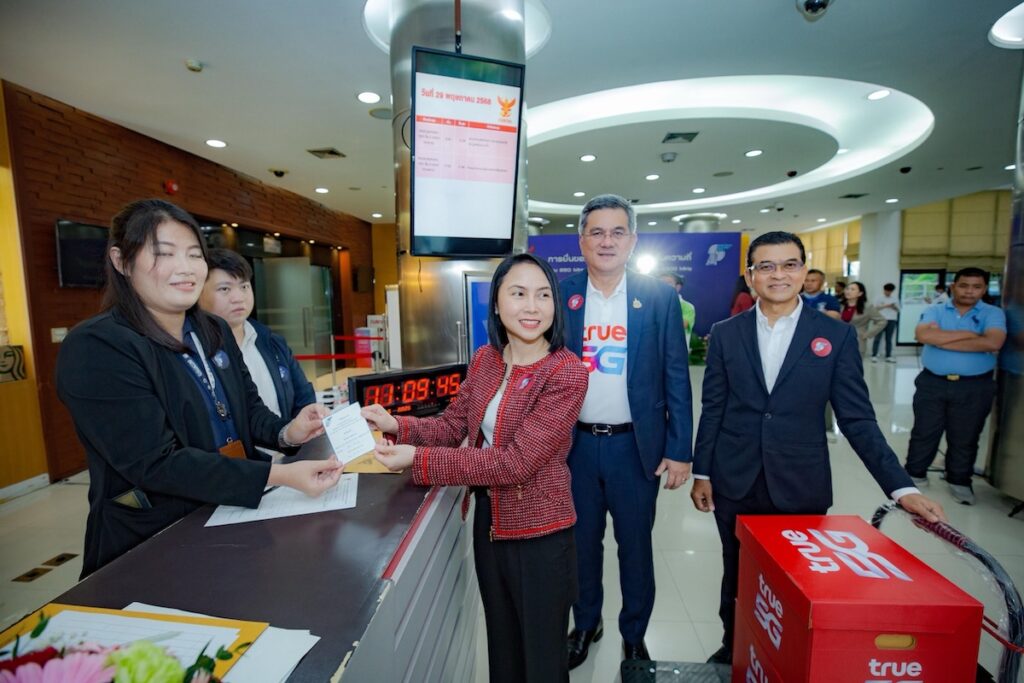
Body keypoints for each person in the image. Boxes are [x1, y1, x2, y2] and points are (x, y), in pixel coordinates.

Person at [689, 231, 946, 665]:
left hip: (800, 482)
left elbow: (858, 420)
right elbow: (713, 407)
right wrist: (703, 472)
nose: (778, 274)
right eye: (766, 266)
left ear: (804, 271)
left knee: (796, 580)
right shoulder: (726, 333)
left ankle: (783, 655)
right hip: (735, 479)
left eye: (789, 264)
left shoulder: (835, 336)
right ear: (750, 276)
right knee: (736, 571)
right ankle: (733, 648)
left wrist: (902, 488)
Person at [56, 199, 342, 577]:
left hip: (233, 516)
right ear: (121, 261)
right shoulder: (99, 346)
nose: (185, 267)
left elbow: (248, 409)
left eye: (194, 254)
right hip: (154, 540)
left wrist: (288, 431)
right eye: (164, 253)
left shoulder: (213, 329)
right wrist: (278, 476)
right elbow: (155, 463)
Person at [365, 253, 588, 683]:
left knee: (542, 662)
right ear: (497, 303)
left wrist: (418, 459)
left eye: (544, 295)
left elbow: (516, 463)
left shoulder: (566, 373)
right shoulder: (487, 359)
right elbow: (453, 426)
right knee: (503, 650)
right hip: (490, 524)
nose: (532, 306)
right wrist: (396, 425)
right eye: (518, 293)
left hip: (541, 535)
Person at [560, 194, 692, 668]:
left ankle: (633, 635)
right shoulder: (561, 294)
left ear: (633, 241)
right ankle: (586, 624)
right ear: (581, 241)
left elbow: (676, 375)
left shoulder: (658, 297)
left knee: (635, 548)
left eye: (618, 232)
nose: (607, 241)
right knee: (581, 545)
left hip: (635, 448)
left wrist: (680, 449)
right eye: (596, 232)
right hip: (574, 447)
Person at [904, 267, 1007, 505]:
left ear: (984, 289)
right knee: (924, 430)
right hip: (933, 382)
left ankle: (959, 480)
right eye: (964, 285)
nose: (969, 291)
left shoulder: (993, 313)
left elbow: (994, 342)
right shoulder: (936, 310)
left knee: (965, 435)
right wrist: (972, 335)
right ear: (953, 286)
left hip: (974, 386)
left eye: (976, 287)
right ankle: (914, 474)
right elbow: (924, 336)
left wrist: (942, 338)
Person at [199, 248, 316, 420]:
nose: (239, 297)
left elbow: (304, 399)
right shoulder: (195, 350)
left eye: (244, 286)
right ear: (198, 293)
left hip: (284, 436)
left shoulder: (272, 342)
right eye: (225, 289)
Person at [840, 281, 887, 356]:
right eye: (847, 289)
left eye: (852, 289)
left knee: (854, 363)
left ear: (860, 293)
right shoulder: (839, 305)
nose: (848, 291)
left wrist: (867, 334)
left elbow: (882, 321)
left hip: (857, 342)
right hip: (839, 341)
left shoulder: (867, 307)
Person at [658, 272, 696, 352]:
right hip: (654, 351)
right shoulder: (651, 304)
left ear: (678, 287)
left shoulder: (687, 307)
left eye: (668, 283)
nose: (663, 286)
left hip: (677, 351)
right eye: (660, 283)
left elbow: (681, 326)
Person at [871, 282, 900, 363]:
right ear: (884, 290)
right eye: (887, 291)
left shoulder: (895, 299)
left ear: (892, 291)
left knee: (889, 339)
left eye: (890, 291)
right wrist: (885, 306)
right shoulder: (878, 297)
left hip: (892, 320)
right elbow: (874, 308)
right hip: (880, 320)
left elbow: (899, 310)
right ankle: (874, 355)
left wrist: (894, 307)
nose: (888, 292)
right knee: (877, 338)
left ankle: (888, 356)